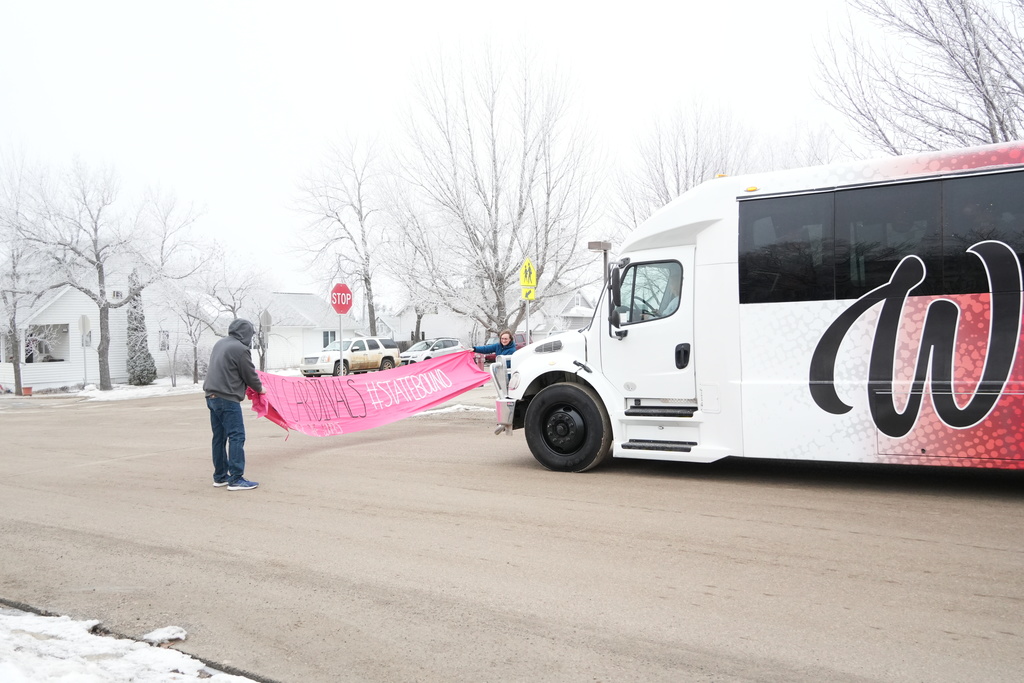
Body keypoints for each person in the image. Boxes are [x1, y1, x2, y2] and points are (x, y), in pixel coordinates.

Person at [203, 319, 265, 491]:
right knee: (237, 436)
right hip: (227, 398)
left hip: (211, 396)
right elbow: (249, 374)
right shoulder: (240, 349)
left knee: (219, 437)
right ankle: (236, 479)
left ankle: (220, 476)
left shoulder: (220, 343)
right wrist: (261, 389)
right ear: (245, 333)